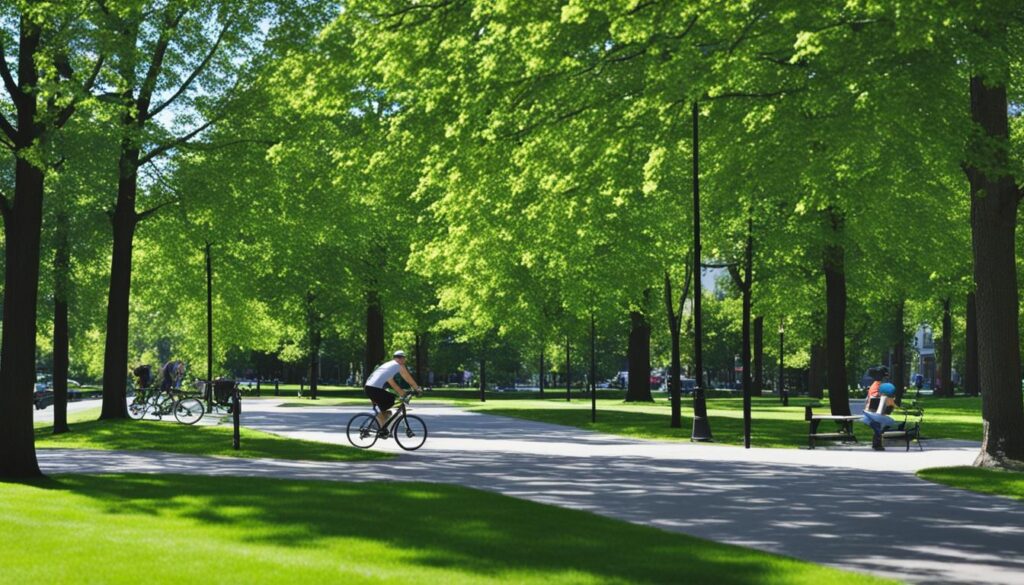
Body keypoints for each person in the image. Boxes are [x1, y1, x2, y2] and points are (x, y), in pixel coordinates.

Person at [364, 350, 422, 429]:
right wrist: (417, 388)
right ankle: (374, 424)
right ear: (401, 358)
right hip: (374, 389)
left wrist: (402, 393)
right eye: (404, 359)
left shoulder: (389, 366)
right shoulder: (399, 365)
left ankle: (381, 428)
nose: (404, 361)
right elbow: (408, 378)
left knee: (387, 410)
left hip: (369, 388)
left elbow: (392, 383)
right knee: (390, 400)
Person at [862, 382, 897, 451]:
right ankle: (877, 445)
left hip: (875, 416)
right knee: (877, 429)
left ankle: (876, 444)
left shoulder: (884, 399)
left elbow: (887, 411)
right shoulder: (878, 398)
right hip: (873, 416)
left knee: (878, 429)